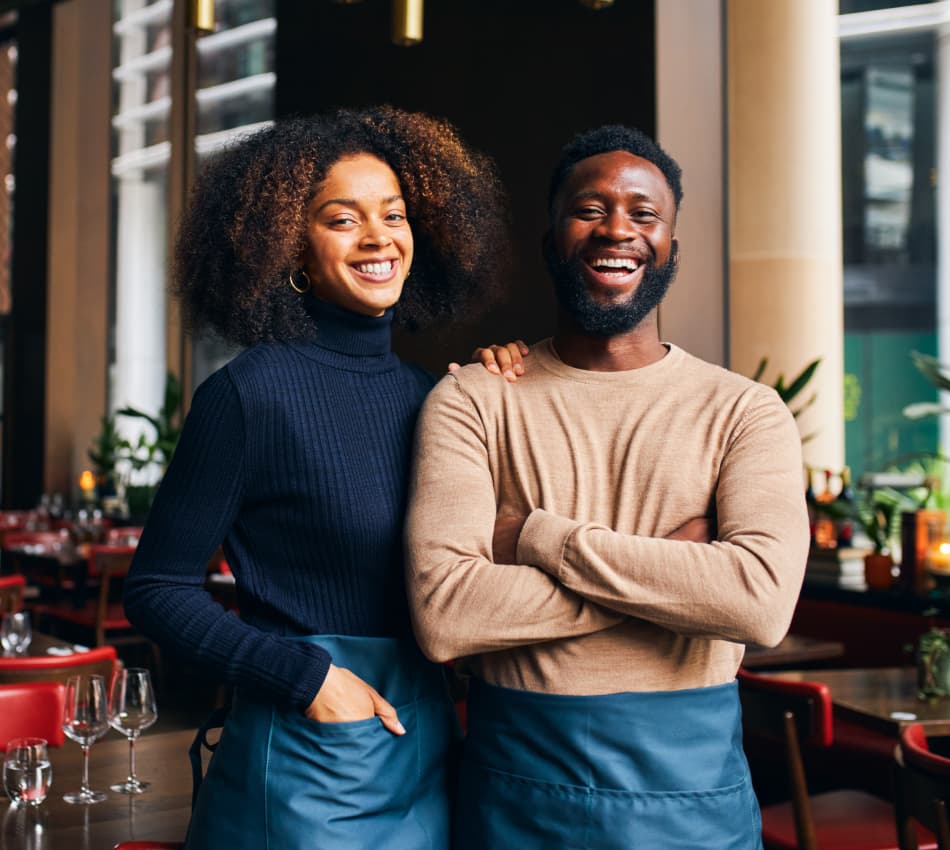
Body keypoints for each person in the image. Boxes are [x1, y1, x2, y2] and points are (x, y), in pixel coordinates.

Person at [124, 106, 524, 849]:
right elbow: (156, 592)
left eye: (395, 216)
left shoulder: (434, 395)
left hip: (428, 746)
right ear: (292, 249)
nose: (379, 238)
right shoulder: (249, 395)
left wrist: (513, 387)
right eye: (343, 220)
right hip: (308, 758)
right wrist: (308, 681)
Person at [405, 125, 810, 849]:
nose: (616, 228)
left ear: (671, 248)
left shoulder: (745, 411)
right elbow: (447, 616)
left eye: (644, 214)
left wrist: (538, 537)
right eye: (590, 209)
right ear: (551, 240)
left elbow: (758, 602)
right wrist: (675, 580)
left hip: (693, 799)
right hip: (519, 792)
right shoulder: (474, 399)